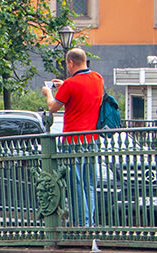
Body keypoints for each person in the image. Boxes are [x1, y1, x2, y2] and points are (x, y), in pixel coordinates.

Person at [43, 47, 104, 226]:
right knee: (90, 184)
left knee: (76, 185)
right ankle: (90, 222)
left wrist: (49, 93)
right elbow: (82, 95)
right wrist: (64, 87)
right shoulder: (98, 79)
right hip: (92, 139)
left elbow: (53, 107)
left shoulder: (70, 83)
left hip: (73, 140)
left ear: (70, 62)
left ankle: (80, 223)